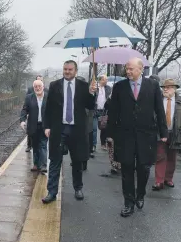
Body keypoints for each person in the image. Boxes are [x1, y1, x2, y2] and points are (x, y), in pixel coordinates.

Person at [107, 57, 167, 217]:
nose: (128, 71)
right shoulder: (119, 87)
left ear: (141, 69)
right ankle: (128, 202)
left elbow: (160, 110)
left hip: (146, 135)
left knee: (144, 168)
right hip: (125, 135)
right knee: (126, 169)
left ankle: (140, 194)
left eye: (131, 69)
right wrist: (109, 134)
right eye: (127, 68)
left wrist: (164, 132)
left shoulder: (153, 86)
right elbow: (113, 112)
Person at [42, 60, 96, 203]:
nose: (67, 71)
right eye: (65, 69)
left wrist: (92, 93)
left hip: (77, 129)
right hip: (59, 129)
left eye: (70, 69)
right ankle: (51, 192)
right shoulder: (54, 86)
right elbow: (48, 108)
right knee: (55, 160)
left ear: (75, 71)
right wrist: (47, 126)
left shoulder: (84, 86)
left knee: (77, 161)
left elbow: (90, 106)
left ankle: (78, 188)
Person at [152, 79, 181, 190]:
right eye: (164, 87)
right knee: (160, 156)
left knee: (172, 158)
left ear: (174, 88)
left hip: (176, 133)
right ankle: (159, 181)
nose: (165, 89)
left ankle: (168, 179)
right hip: (160, 132)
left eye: (168, 87)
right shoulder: (158, 100)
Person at [20, 79, 48, 173]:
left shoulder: (49, 97)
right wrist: (22, 121)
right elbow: (24, 110)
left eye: (39, 86)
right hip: (33, 125)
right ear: (33, 88)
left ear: (43, 87)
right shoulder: (29, 98)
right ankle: (36, 164)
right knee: (35, 146)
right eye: (35, 86)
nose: (37, 88)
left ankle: (43, 165)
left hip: (45, 125)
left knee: (43, 145)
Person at [101, 95, 121, 176]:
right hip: (111, 128)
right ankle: (114, 165)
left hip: (121, 129)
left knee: (119, 147)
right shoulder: (110, 100)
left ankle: (118, 163)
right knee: (111, 147)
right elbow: (106, 107)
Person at [93, 75, 112, 151]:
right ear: (100, 80)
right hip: (95, 111)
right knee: (94, 129)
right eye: (104, 79)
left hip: (104, 111)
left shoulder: (108, 88)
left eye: (106, 79)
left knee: (104, 128)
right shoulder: (95, 88)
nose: (106, 81)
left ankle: (103, 144)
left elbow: (109, 99)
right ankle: (93, 145)